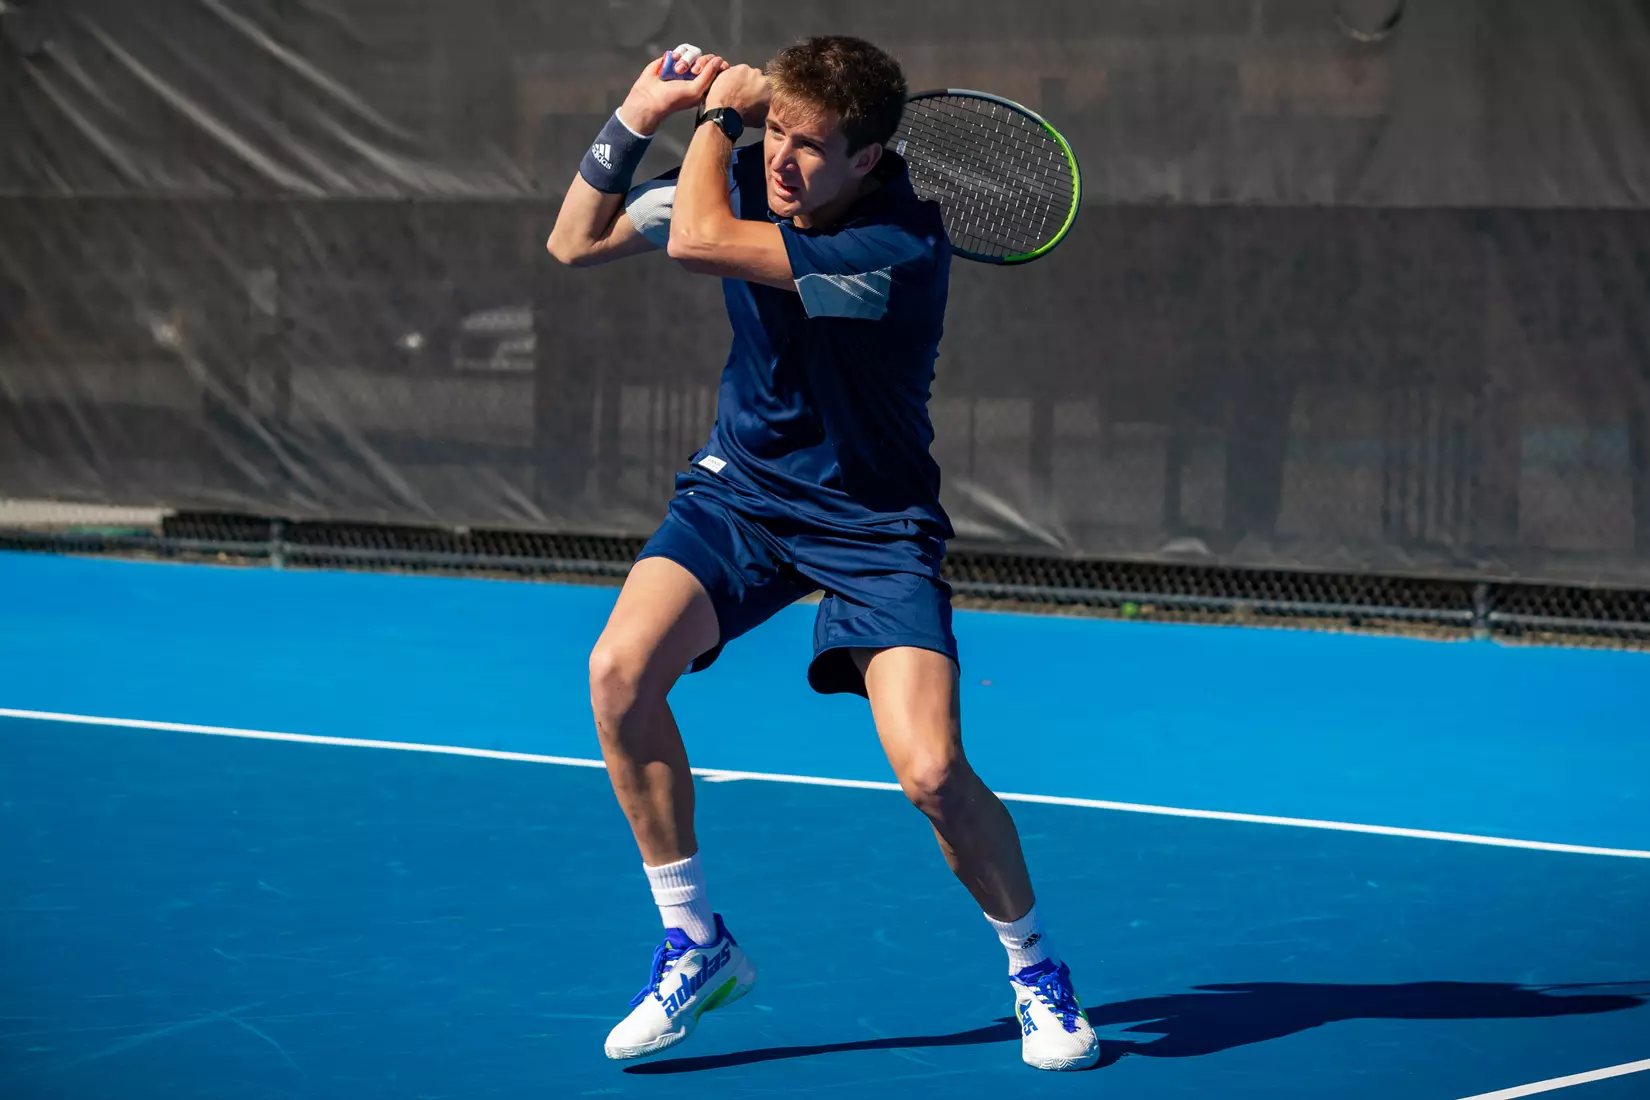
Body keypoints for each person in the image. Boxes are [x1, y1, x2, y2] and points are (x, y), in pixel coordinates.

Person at [546, 35, 1100, 1072]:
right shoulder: (753, 175)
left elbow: (702, 239)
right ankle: (695, 942)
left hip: (874, 527)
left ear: (870, 158)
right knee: (618, 673)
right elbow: (573, 242)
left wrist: (718, 117)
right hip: (742, 498)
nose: (784, 160)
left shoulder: (895, 250)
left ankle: (1034, 969)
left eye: (809, 146)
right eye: (778, 133)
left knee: (933, 771)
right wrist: (637, 108)